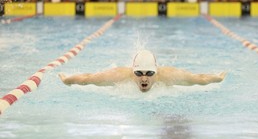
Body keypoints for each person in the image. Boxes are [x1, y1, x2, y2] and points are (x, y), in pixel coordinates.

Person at [59, 50, 227, 93]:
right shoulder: (120, 75)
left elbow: (200, 78)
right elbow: (87, 78)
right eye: (139, 73)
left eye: (149, 73)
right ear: (133, 72)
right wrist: (67, 81)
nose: (144, 78)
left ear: (156, 72)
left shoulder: (168, 75)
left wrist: (218, 79)